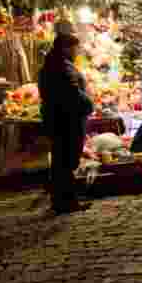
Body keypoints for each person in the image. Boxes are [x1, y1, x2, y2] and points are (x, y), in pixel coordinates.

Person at [38, 34, 93, 215]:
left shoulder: (52, 64)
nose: (77, 52)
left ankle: (64, 200)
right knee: (66, 160)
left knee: (62, 161)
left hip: (58, 119)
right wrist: (88, 104)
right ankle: (66, 202)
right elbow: (72, 93)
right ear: (66, 48)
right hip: (67, 120)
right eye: (75, 48)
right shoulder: (61, 66)